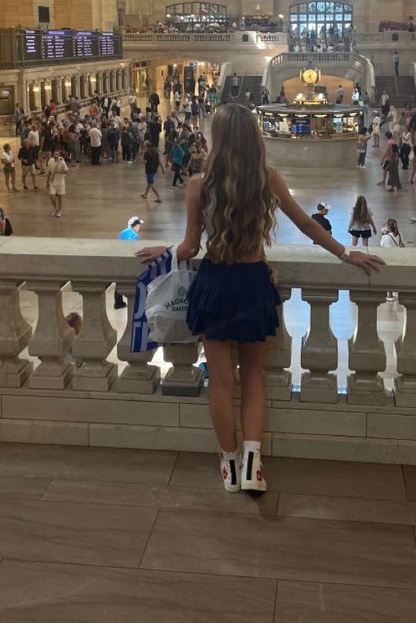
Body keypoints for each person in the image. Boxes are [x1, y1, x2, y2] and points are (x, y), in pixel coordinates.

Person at [137, 104, 383, 494]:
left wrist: (161, 251)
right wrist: (346, 253)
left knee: (220, 382)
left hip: (215, 283)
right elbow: (306, 224)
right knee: (253, 377)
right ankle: (254, 464)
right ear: (254, 138)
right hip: (253, 283)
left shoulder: (199, 185)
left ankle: (229, 464)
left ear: (218, 139)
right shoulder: (268, 181)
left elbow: (188, 247)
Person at [46, 149, 68, 217]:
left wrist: (58, 172)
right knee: (52, 196)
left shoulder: (62, 161)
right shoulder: (51, 160)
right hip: (52, 181)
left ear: (59, 155)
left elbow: (67, 172)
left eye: (56, 154)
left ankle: (59, 210)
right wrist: (47, 181)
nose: (55, 155)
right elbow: (49, 172)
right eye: (54, 154)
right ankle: (55, 208)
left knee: (60, 197)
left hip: (60, 181)